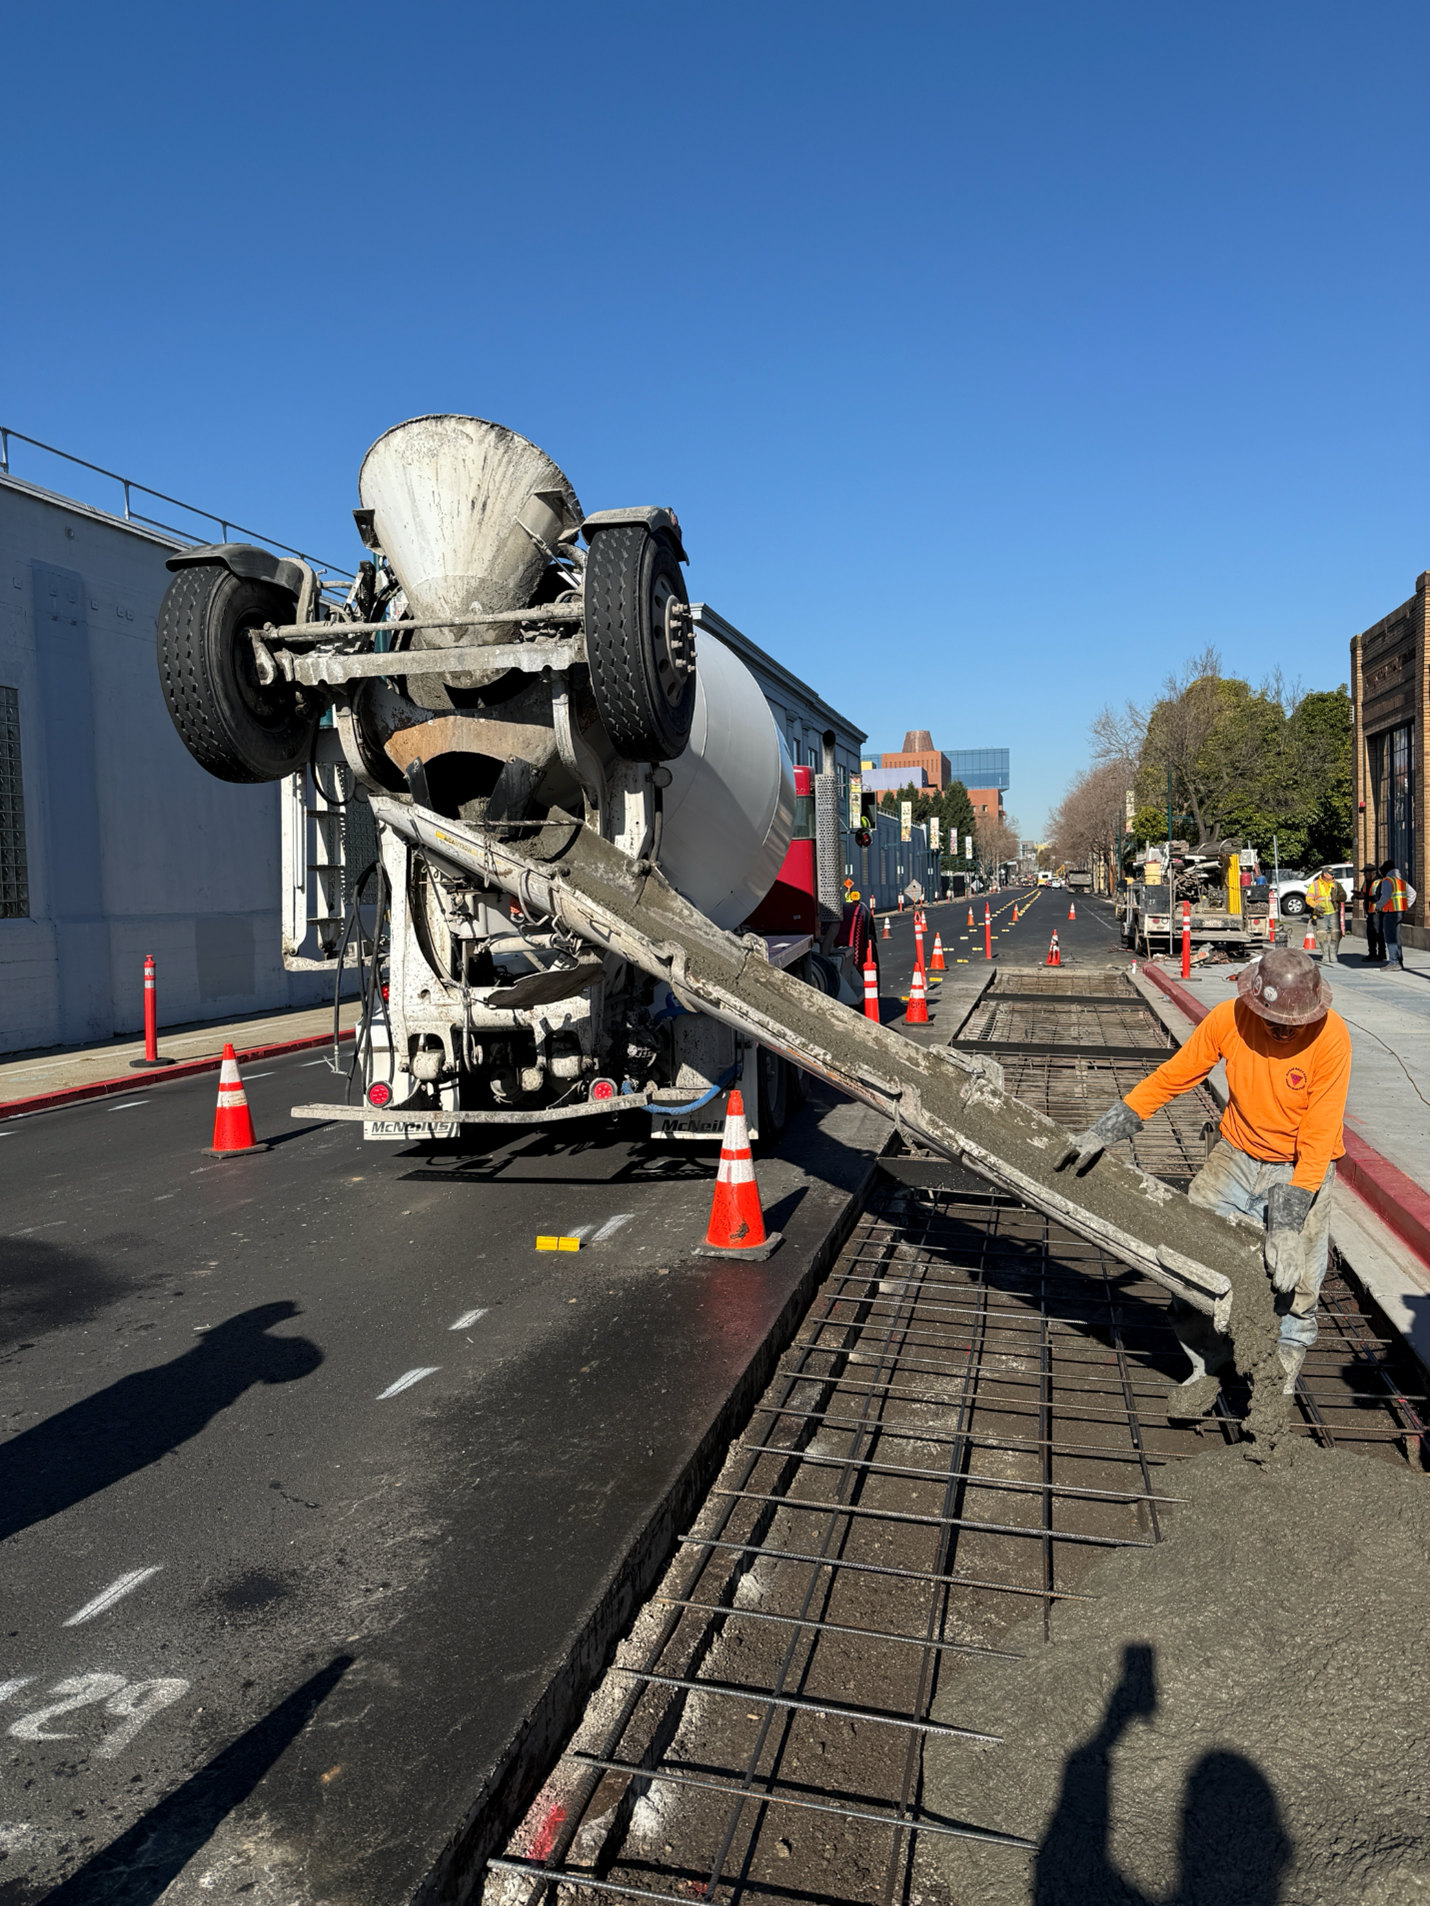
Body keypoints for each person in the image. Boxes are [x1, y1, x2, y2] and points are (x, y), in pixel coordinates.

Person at [1055, 946, 1350, 1399]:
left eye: (1294, 1025)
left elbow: (1318, 1139)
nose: (1283, 1031)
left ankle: (1278, 1381)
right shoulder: (1229, 1018)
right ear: (1255, 1000)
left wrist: (1287, 1227)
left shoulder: (1331, 1038)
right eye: (1274, 1021)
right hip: (1235, 1155)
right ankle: (1207, 1362)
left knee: (1296, 1279)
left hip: (1298, 1168)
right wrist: (1104, 1130)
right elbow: (1174, 1075)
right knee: (1191, 1259)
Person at [1373, 859, 1416, 972]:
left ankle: (1393, 962)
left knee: (1390, 938)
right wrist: (1406, 906)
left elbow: (1385, 897)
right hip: (1399, 912)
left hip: (1390, 912)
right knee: (1396, 937)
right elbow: (1413, 893)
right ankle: (1399, 961)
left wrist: (1377, 906)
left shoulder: (1387, 881)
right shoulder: (1401, 881)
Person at [1303, 866, 1341, 964]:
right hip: (1320, 913)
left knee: (1335, 933)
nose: (1333, 876)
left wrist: (1338, 897)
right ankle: (1325, 955)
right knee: (1322, 933)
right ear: (1325, 874)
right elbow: (1308, 899)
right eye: (1331, 874)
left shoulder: (1336, 884)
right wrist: (1316, 906)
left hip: (1333, 912)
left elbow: (1343, 896)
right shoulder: (1315, 885)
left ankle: (1333, 954)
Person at [1360, 863, 1385, 963]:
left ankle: (1381, 954)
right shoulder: (1366, 882)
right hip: (1369, 911)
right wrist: (1358, 895)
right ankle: (1372, 953)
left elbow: (1378, 897)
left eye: (1365, 873)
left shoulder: (1379, 882)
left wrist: (1365, 897)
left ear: (1372, 873)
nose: (1364, 875)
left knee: (1378, 933)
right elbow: (1363, 893)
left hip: (1377, 911)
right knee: (1370, 933)